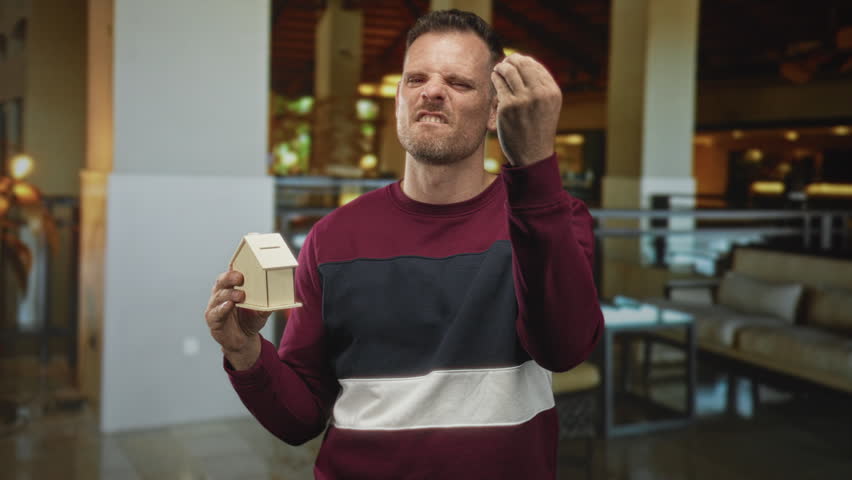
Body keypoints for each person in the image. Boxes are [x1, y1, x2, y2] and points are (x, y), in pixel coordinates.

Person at [204, 9, 603, 479]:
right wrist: (245, 352)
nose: (432, 90)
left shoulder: (550, 219)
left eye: (458, 83)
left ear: (496, 110)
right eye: (416, 78)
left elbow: (564, 349)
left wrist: (535, 165)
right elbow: (301, 419)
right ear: (398, 99)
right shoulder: (332, 237)